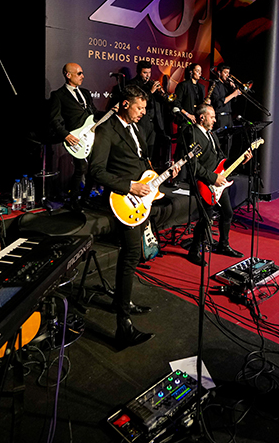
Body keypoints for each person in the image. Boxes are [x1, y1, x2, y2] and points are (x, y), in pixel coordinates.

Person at [88, 85, 179, 348]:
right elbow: (96, 170)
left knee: (133, 254)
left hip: (141, 200)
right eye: (140, 107)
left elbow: (141, 165)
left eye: (145, 108)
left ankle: (123, 302)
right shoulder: (107, 129)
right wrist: (130, 187)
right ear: (125, 104)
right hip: (123, 200)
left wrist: (162, 173)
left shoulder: (136, 128)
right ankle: (123, 326)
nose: (143, 113)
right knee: (130, 256)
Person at [183, 104, 247, 266]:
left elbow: (221, 160)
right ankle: (194, 251)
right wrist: (213, 178)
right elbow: (193, 166)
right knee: (205, 219)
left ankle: (223, 245)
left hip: (218, 182)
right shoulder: (193, 134)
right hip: (205, 183)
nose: (215, 120)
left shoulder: (211, 134)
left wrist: (241, 160)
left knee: (227, 213)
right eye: (211, 117)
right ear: (202, 117)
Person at [47, 62, 100, 208]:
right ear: (68, 75)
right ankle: (73, 200)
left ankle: (85, 197)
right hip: (75, 138)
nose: (83, 76)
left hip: (90, 136)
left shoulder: (85, 93)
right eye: (79, 73)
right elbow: (54, 119)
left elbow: (94, 113)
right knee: (81, 168)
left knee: (94, 167)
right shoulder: (58, 95)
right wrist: (66, 135)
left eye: (82, 73)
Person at [126, 60, 168, 165]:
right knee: (140, 148)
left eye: (149, 72)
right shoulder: (133, 84)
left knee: (150, 150)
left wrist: (162, 94)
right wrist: (151, 91)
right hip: (141, 122)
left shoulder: (151, 84)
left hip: (153, 123)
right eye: (145, 73)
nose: (148, 75)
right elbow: (138, 101)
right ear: (139, 72)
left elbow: (161, 101)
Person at [208, 64, 242, 154]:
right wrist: (233, 94)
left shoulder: (227, 86)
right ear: (219, 73)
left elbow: (233, 102)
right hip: (220, 117)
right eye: (225, 72)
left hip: (228, 117)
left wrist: (233, 88)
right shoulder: (215, 85)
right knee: (220, 143)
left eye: (228, 73)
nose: (228, 75)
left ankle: (226, 161)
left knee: (229, 143)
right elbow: (218, 103)